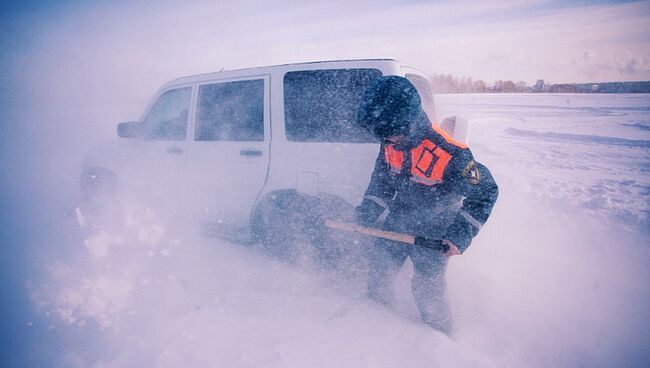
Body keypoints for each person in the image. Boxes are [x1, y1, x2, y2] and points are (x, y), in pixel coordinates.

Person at [355, 76, 498, 334]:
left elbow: (486, 192)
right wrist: (366, 212)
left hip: (435, 229)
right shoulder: (389, 143)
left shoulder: (453, 154)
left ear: (407, 124)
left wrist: (459, 235)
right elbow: (382, 183)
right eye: (381, 134)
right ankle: (376, 319)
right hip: (399, 219)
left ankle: (439, 336)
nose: (385, 140)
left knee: (427, 286)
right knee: (380, 265)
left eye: (389, 133)